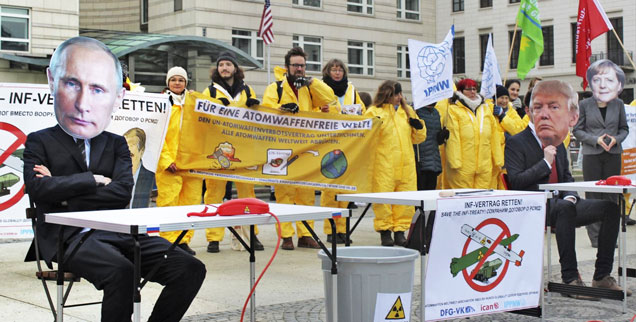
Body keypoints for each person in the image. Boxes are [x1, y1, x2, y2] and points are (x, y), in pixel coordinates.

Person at [22, 36, 206, 322]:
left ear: (114, 96)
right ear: (53, 84)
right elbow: (37, 189)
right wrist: (92, 179)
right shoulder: (39, 142)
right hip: (68, 236)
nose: (85, 102)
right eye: (72, 84)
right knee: (120, 272)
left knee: (191, 268)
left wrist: (62, 189)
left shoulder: (118, 144)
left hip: (119, 232)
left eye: (97, 89)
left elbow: (121, 193)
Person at [505, 79, 629, 298]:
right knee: (563, 208)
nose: (546, 115)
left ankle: (601, 276)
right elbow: (516, 182)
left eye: (553, 108)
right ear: (529, 112)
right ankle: (570, 278)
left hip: (564, 204)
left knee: (610, 208)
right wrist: (544, 163)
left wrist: (572, 196)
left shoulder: (558, 140)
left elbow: (567, 179)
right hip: (534, 205)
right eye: (539, 108)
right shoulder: (517, 142)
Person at [262, 47, 338, 250]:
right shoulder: (275, 88)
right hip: (281, 149)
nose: (299, 69)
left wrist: (312, 83)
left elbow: (330, 99)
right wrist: (283, 110)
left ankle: (306, 234)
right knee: (284, 194)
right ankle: (286, 235)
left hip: (305, 148)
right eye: (295, 65)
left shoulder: (310, 88)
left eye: (302, 66)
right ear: (287, 67)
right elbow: (266, 111)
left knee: (305, 195)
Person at [202, 50, 264, 253]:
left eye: (228, 65)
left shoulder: (247, 91)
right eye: (221, 65)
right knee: (213, 194)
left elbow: (258, 118)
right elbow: (200, 117)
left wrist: (255, 107)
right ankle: (214, 238)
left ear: (235, 68)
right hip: (218, 150)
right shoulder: (210, 92)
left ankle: (251, 235)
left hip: (243, 150)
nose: (224, 68)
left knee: (248, 193)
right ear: (217, 69)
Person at [573, 59, 630, 246]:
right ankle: (596, 238)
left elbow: (624, 129)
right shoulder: (585, 105)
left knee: (612, 196)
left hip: (613, 155)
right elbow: (577, 130)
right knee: (593, 196)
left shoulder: (618, 104)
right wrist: (595, 139)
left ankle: (610, 237)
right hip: (592, 155)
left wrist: (616, 139)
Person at [365, 81, 426, 246]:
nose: (399, 97)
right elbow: (366, 138)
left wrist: (418, 127)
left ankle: (400, 231)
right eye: (396, 94)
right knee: (383, 199)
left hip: (406, 164)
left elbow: (419, 138)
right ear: (387, 95)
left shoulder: (407, 112)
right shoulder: (374, 112)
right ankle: (385, 232)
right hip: (384, 164)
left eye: (400, 94)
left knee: (405, 200)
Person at [156, 66, 203, 255]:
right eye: (173, 79)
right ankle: (167, 242)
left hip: (191, 163)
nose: (177, 83)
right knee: (169, 203)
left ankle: (183, 241)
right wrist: (166, 160)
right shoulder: (161, 103)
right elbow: (156, 135)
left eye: (181, 80)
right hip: (170, 165)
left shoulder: (194, 102)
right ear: (168, 82)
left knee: (190, 204)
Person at [319, 58, 366, 244]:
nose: (337, 73)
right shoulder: (320, 88)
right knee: (330, 191)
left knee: (345, 191)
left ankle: (342, 229)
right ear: (327, 72)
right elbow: (312, 110)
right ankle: (331, 229)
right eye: (334, 70)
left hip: (348, 144)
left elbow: (362, 109)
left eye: (340, 70)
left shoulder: (351, 90)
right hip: (329, 143)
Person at [445, 78, 502, 189]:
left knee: (483, 199)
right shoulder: (454, 110)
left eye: (474, 89)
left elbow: (494, 136)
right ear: (460, 91)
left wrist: (498, 159)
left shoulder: (485, 110)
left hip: (484, 164)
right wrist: (455, 162)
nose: (472, 92)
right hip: (463, 166)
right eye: (468, 89)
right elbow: (453, 138)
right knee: (463, 199)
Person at [123, 127, 154, 208]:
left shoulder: (151, 178)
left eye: (131, 155)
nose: (125, 160)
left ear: (142, 151)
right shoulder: (112, 173)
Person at [414, 102, 442, 190]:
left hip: (434, 161)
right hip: (421, 161)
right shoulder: (415, 111)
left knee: (431, 193)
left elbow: (436, 138)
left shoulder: (436, 113)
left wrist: (441, 136)